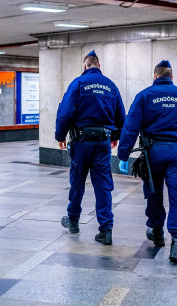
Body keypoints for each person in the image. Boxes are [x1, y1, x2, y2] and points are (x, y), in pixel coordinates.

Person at [117, 60, 177, 263]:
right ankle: (176, 244)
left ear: (155, 77)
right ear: (172, 77)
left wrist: (123, 155)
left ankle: (157, 232)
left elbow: (130, 128)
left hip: (152, 153)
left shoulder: (144, 96)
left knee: (154, 193)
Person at [55, 50, 126, 245]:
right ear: (99, 66)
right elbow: (121, 115)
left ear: (85, 66)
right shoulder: (111, 86)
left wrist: (59, 136)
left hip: (81, 142)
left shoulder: (78, 83)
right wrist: (116, 136)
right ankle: (106, 229)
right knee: (102, 184)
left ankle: (74, 220)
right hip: (103, 142)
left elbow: (65, 112)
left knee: (77, 181)